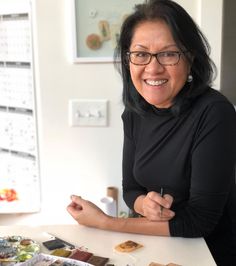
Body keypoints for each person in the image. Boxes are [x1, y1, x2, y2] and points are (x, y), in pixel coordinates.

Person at [67, 0, 236, 265]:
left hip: (208, 255)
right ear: (128, 59)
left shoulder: (215, 112)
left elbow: (200, 222)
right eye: (141, 53)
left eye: (168, 53)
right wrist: (144, 204)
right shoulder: (134, 112)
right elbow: (131, 189)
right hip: (158, 250)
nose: (153, 67)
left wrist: (104, 222)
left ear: (190, 57)